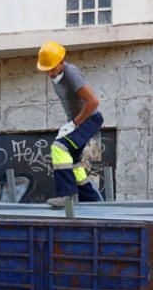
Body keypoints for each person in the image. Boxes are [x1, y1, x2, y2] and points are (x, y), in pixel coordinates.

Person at [37, 40, 105, 203]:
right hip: (78, 121)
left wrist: (74, 124)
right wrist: (70, 124)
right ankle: (93, 201)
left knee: (59, 148)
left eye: (52, 69)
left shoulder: (71, 73)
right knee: (73, 164)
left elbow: (93, 102)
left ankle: (66, 195)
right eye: (47, 71)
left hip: (90, 119)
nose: (50, 74)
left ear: (61, 62)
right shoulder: (57, 76)